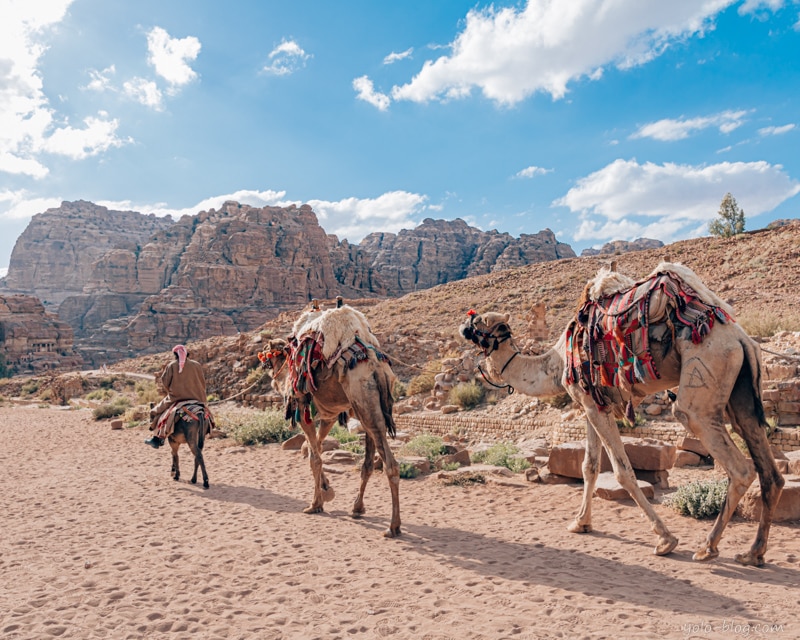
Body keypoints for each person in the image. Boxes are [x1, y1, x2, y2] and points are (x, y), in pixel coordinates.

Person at [145, 344, 208, 448]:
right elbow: (203, 382)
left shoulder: (172, 365)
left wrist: (172, 390)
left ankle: (157, 439)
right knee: (206, 412)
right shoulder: (197, 365)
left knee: (156, 411)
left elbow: (165, 382)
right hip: (198, 398)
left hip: (176, 398)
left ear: (175, 354)